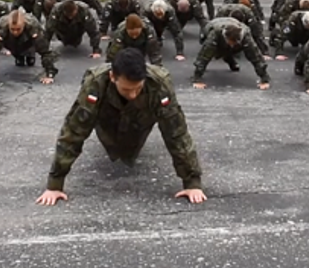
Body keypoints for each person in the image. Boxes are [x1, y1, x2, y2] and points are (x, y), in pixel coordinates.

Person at [36, 48, 204, 206]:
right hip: (107, 119)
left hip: (142, 120)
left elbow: (176, 133)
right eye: (126, 89)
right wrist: (55, 184)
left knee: (135, 143)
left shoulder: (159, 84)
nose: (132, 94)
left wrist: (192, 182)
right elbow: (74, 132)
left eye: (138, 88)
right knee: (110, 141)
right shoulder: (96, 83)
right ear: (112, 76)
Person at [0, 9, 57, 84]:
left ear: (23, 24)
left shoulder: (32, 25)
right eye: (12, 29)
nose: (15, 32)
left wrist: (50, 74)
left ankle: (29, 54)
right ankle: (19, 55)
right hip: (11, 42)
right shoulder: (1, 26)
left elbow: (45, 50)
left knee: (32, 56)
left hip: (27, 42)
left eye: (18, 29)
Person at [193, 18, 270, 90]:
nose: (232, 45)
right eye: (231, 42)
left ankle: (230, 59)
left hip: (234, 25)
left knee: (244, 49)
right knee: (213, 50)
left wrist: (264, 79)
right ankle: (229, 59)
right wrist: (197, 79)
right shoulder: (215, 34)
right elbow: (203, 56)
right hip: (212, 26)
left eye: (234, 43)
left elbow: (256, 57)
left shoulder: (246, 36)